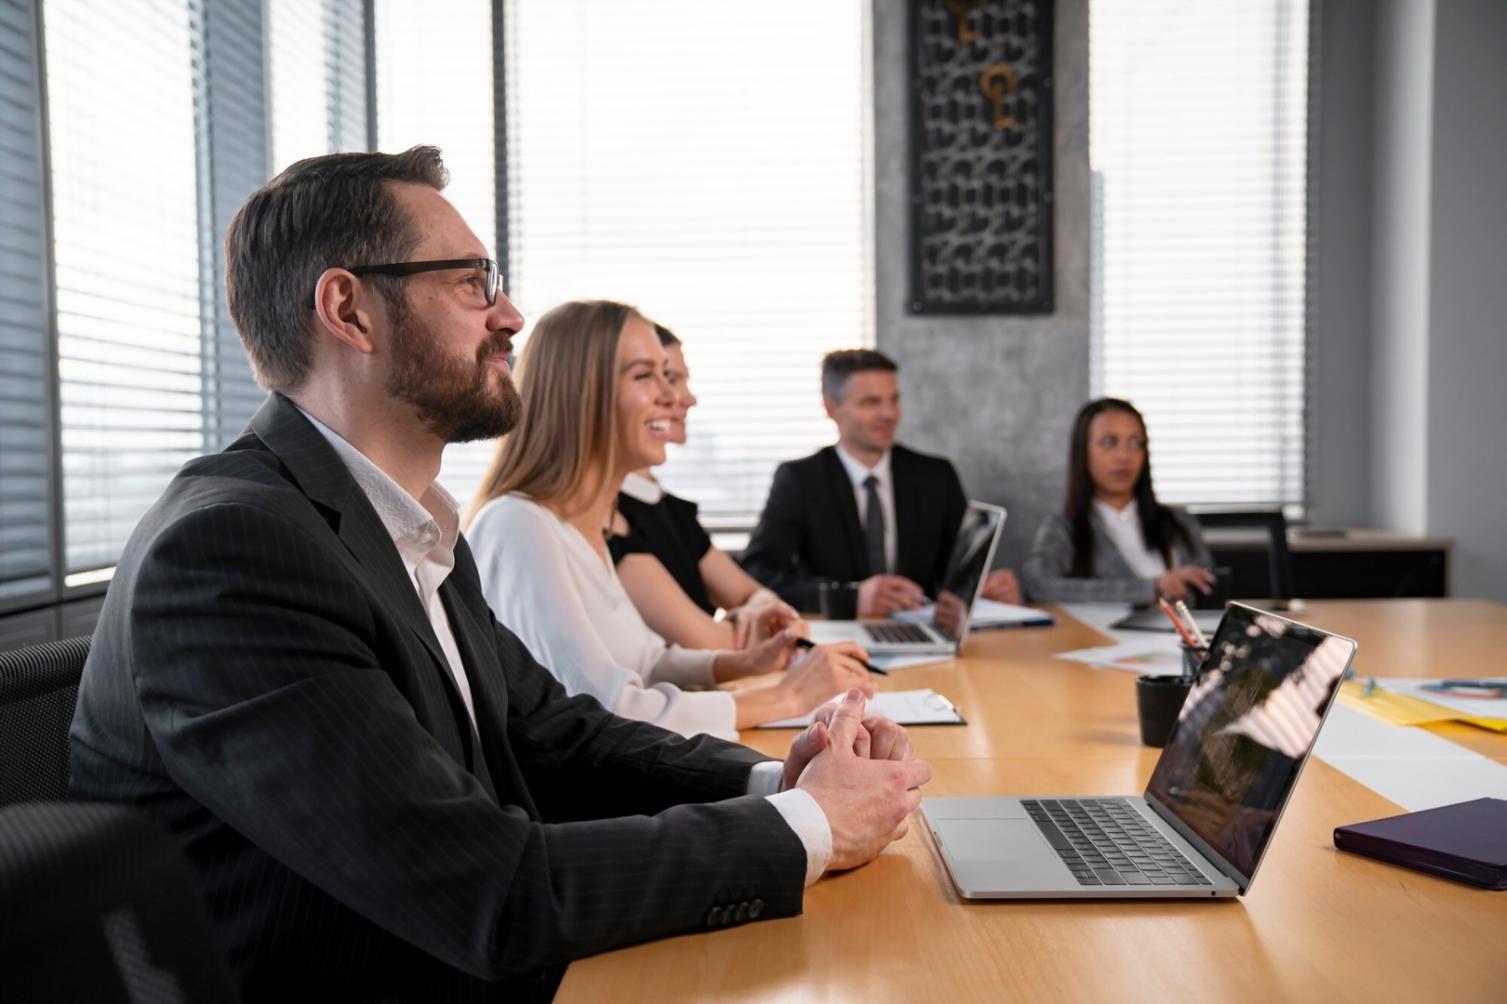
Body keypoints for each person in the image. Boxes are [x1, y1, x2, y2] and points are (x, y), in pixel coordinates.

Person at [68, 147, 930, 1001]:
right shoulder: (232, 552)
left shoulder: (410, 524)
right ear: (349, 310)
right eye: (472, 283)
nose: (511, 314)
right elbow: (481, 885)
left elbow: (552, 737)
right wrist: (812, 824)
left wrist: (777, 779)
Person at [465, 301, 873, 740]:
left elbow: (647, 661)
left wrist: (750, 662)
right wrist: (787, 696)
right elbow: (606, 710)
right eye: (645, 376)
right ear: (581, 395)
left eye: (668, 374)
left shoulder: (583, 528)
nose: (675, 396)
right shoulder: (520, 525)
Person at [741, 348, 1022, 617]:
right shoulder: (800, 480)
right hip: (837, 634)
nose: (890, 414)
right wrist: (850, 597)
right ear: (831, 408)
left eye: (894, 399)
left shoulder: (936, 476)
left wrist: (984, 588)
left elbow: (958, 574)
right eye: (871, 402)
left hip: (922, 632)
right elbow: (757, 573)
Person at [611, 323, 797, 650]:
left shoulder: (665, 505)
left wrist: (757, 609)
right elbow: (703, 645)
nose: (683, 397)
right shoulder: (606, 515)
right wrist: (755, 625)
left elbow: (750, 594)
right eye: (669, 379)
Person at [1021, 397, 1214, 604]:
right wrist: (1153, 587)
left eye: (1135, 443)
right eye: (1109, 442)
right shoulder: (1064, 528)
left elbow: (1209, 595)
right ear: (1083, 452)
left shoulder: (1179, 522)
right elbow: (1038, 586)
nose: (1123, 456)